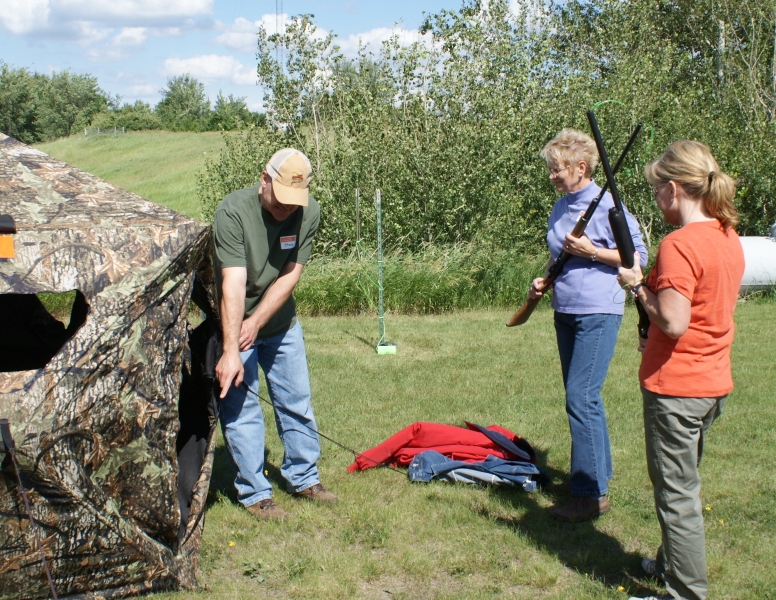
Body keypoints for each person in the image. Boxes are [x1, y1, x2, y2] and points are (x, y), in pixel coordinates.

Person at [618, 141, 744, 600]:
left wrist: (636, 288)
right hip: (711, 384)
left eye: (656, 190)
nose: (655, 198)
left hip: (678, 390)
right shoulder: (727, 235)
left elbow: (672, 321)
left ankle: (685, 593)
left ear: (674, 189)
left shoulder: (679, 244)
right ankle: (671, 563)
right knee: (682, 483)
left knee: (676, 495)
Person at [528, 128, 647, 522]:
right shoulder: (561, 206)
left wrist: (592, 251)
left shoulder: (608, 204)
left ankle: (591, 494)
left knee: (582, 397)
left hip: (600, 308)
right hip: (565, 308)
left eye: (557, 169)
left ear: (581, 167)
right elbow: (556, 252)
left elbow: (637, 257)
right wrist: (544, 278)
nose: (552, 176)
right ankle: (593, 475)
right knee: (580, 397)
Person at [213, 148, 336, 521]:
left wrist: (259, 322)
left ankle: (304, 477)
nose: (287, 209)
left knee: (296, 400)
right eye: (280, 200)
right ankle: (255, 494)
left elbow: (291, 273)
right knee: (242, 408)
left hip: (279, 324)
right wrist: (232, 346)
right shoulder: (232, 213)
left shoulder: (307, 211)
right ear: (264, 180)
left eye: (293, 202)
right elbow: (232, 284)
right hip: (234, 325)